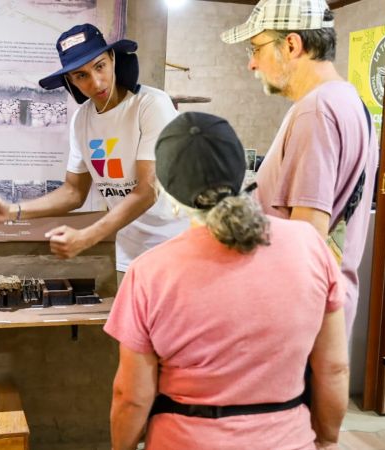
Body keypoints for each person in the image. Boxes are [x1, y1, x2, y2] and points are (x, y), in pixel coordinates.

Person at [104, 112, 349, 450]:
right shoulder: (309, 245)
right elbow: (333, 368)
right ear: (241, 171)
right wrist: (326, 440)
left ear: (168, 189)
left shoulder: (148, 272)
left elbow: (131, 396)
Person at [221, 0, 379, 339]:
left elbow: (306, 239)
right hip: (325, 314)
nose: (251, 63)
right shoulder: (349, 101)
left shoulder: (316, 110)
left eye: (256, 48)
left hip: (299, 322)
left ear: (291, 45)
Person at [0, 23, 188, 277]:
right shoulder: (82, 120)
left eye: (99, 66)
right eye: (81, 75)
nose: (96, 82)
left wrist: (87, 237)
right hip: (131, 255)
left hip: (179, 248)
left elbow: (148, 189)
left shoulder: (151, 104)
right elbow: (73, 192)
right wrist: (14, 211)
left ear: (112, 58)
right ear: (70, 81)